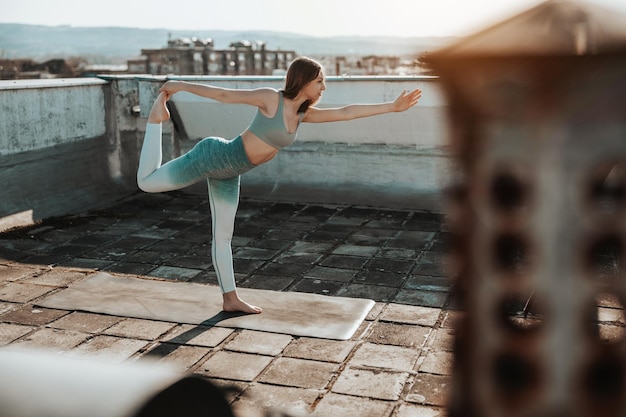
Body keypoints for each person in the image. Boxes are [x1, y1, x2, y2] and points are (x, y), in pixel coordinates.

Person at [137, 56, 422, 315]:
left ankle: (230, 299)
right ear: (303, 79)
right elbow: (225, 95)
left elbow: (346, 112)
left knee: (223, 236)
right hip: (214, 156)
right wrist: (180, 86)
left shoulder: (302, 114)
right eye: (320, 80)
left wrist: (392, 108)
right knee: (146, 183)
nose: (324, 86)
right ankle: (154, 120)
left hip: (231, 171)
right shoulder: (270, 99)